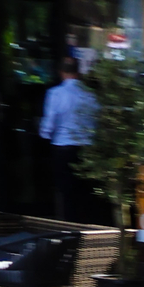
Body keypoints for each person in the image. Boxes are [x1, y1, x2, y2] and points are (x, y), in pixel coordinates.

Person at [39, 58, 99, 220]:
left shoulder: (55, 94)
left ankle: (67, 226)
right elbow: (96, 121)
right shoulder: (89, 95)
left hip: (62, 146)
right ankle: (84, 224)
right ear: (78, 73)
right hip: (85, 147)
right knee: (84, 190)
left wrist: (45, 135)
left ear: (61, 73)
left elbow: (48, 125)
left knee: (65, 191)